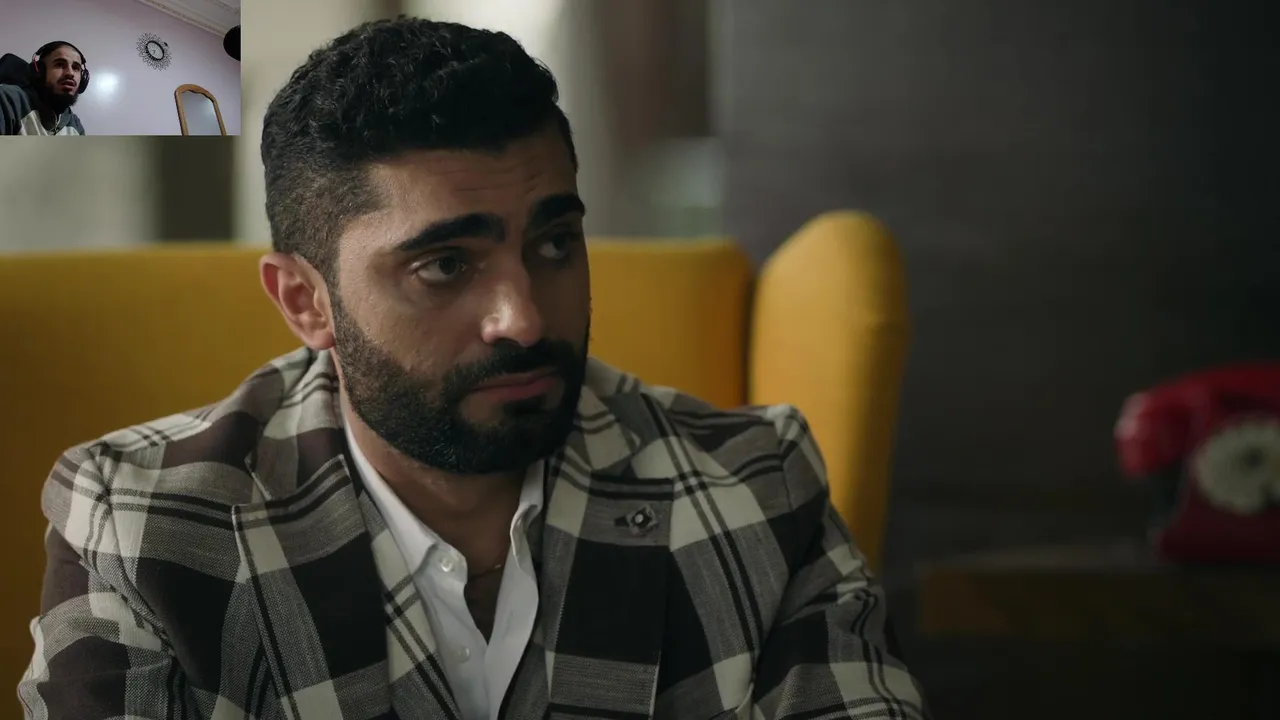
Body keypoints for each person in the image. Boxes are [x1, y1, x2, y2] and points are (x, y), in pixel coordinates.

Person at [17, 17, 927, 720]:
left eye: (555, 243)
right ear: (305, 301)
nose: (523, 318)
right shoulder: (145, 528)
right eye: (446, 265)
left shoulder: (758, 488)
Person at [0, 41, 88, 136]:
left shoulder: (75, 124)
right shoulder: (7, 101)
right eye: (59, 64)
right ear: (40, 72)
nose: (70, 73)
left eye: (76, 68)